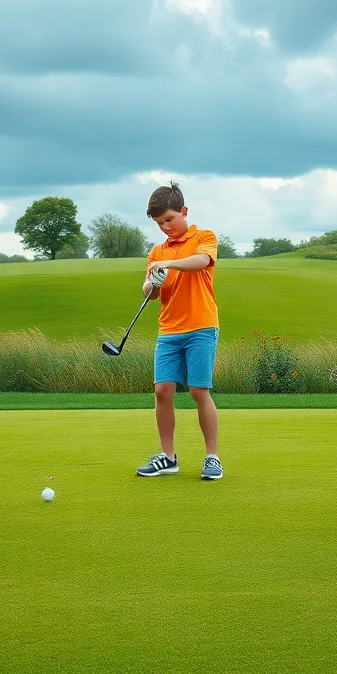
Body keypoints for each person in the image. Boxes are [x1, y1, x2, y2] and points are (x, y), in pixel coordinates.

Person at [134, 182, 224, 481]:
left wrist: (169, 264)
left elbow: (201, 262)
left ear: (184, 211)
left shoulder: (204, 237)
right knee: (162, 391)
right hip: (169, 329)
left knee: (199, 391)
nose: (165, 227)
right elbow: (149, 291)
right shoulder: (156, 251)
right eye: (159, 223)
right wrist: (153, 282)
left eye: (169, 220)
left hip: (201, 325)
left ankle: (212, 457)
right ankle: (168, 458)